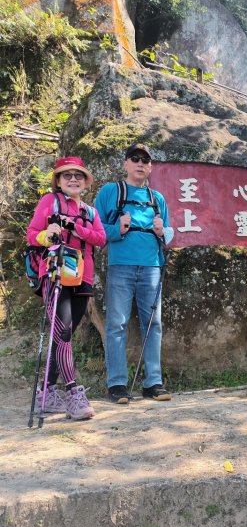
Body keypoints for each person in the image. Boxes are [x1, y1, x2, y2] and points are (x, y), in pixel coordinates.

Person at [27, 157, 106, 420]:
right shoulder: (49, 202)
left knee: (65, 334)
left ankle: (46, 392)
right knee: (63, 332)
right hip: (55, 274)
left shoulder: (91, 211)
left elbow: (100, 238)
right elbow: (32, 234)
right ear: (58, 181)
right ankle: (73, 393)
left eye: (78, 175)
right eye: (66, 175)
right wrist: (47, 234)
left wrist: (74, 226)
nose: (73, 179)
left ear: (85, 182)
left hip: (82, 276)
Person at [95, 143, 174, 404]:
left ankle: (153, 382)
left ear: (151, 167)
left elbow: (169, 234)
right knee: (116, 324)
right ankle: (117, 384)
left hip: (152, 266)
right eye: (135, 158)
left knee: (154, 324)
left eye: (145, 160)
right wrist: (118, 229)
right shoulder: (110, 192)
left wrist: (163, 233)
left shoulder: (157, 198)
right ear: (125, 163)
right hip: (121, 266)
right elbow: (95, 231)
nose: (140, 163)